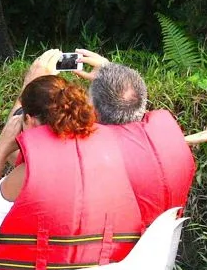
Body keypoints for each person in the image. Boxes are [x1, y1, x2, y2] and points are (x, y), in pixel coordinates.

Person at [0, 50, 143, 270]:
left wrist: (1, 149)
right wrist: (110, 74)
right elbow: (126, 108)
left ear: (29, 120)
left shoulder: (27, 174)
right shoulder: (114, 148)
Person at [72, 49, 196, 222]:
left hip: (117, 238)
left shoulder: (86, 155)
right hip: (162, 237)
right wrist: (110, 71)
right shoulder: (167, 139)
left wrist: (34, 83)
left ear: (92, 111)